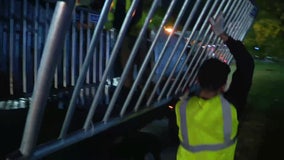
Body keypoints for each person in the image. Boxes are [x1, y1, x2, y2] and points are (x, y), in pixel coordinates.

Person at [174, 13, 254, 160]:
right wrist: (222, 35)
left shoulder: (182, 108)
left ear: (198, 80)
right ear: (223, 86)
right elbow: (247, 64)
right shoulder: (232, 106)